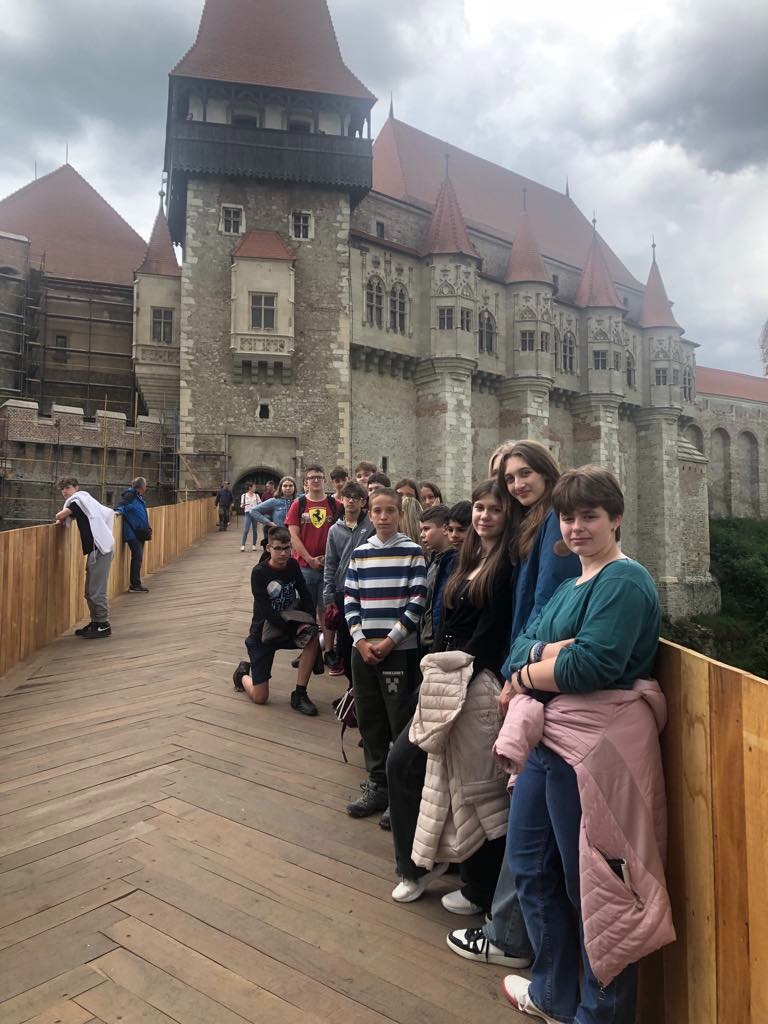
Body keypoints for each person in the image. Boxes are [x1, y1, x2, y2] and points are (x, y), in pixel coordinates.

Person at [497, 466, 668, 1024]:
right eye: (567, 517)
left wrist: (526, 673)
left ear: (616, 518)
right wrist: (545, 654)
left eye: (589, 516)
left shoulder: (624, 581)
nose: (575, 528)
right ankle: (552, 992)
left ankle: (599, 1014)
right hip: (552, 741)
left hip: (594, 749)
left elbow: (591, 665)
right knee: (530, 863)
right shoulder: (573, 584)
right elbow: (518, 644)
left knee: (596, 886)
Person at [447, 439, 580, 970]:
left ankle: (509, 936)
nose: (517, 484)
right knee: (528, 815)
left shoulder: (551, 526)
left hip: (540, 681)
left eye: (525, 474)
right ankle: (508, 928)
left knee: (530, 821)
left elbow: (547, 607)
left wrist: (518, 671)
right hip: (533, 674)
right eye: (509, 478)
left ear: (547, 471)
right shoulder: (535, 524)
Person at [387, 480, 515, 911]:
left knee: (471, 786)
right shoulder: (470, 560)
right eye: (479, 508)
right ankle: (416, 864)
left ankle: (475, 885)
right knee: (406, 764)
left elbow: (489, 636)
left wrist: (454, 676)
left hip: (471, 682)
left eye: (494, 509)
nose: (484, 516)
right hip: (444, 678)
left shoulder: (506, 567)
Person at [344, 488, 427, 820]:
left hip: (397, 651)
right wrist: (360, 640)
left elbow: (417, 601)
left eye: (390, 510)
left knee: (399, 719)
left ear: (399, 514)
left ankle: (400, 792)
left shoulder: (412, 552)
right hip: (363, 649)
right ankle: (377, 783)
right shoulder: (361, 554)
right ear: (369, 514)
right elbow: (350, 600)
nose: (383, 516)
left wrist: (391, 641)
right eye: (377, 510)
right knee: (369, 717)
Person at [232, 526, 322, 714]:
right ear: (268, 548)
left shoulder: (293, 565)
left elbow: (305, 593)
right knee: (260, 697)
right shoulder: (259, 572)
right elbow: (266, 611)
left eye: (287, 548)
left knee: (312, 638)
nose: (283, 553)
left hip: (288, 624)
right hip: (263, 631)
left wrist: (310, 622)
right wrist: (294, 629)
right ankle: (241, 676)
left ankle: (299, 694)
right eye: (278, 548)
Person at [285, 464, 338, 657]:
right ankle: (309, 652)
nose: (316, 480)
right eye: (312, 477)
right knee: (306, 612)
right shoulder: (298, 504)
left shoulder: (335, 505)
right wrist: (309, 559)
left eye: (319, 477)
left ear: (324, 480)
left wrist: (328, 559)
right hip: (305, 567)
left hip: (329, 567)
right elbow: (293, 536)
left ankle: (329, 650)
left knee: (327, 610)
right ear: (306, 482)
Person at [322, 480, 373, 681]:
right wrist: (328, 595)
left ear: (363, 502)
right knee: (344, 638)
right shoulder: (334, 530)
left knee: (364, 635)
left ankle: (363, 683)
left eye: (356, 498)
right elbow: (330, 563)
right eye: (347, 497)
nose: (351, 501)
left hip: (366, 589)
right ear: (341, 500)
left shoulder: (371, 526)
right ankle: (351, 684)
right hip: (343, 590)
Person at [54, 477, 115, 639]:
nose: (64, 492)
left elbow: (61, 514)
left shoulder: (77, 501)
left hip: (100, 550)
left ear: (76, 488)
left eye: (67, 487)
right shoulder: (85, 501)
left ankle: (103, 624)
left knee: (96, 590)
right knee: (89, 591)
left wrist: (61, 517)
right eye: (62, 489)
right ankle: (96, 622)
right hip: (98, 549)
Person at [418, 504, 455, 655]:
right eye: (421, 530)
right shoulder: (434, 560)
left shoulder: (454, 562)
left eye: (426, 529)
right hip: (427, 640)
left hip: (442, 644)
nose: (422, 535)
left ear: (445, 529)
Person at [115, 476, 151, 592]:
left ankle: (136, 584)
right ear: (142, 487)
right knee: (137, 557)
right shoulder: (131, 495)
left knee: (138, 557)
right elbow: (121, 506)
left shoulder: (137, 496)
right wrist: (118, 512)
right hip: (133, 533)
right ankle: (135, 585)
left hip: (138, 532)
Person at [250, 476, 297, 549]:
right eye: (285, 486)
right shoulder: (275, 501)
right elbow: (253, 511)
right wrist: (269, 522)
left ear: (294, 487)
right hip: (280, 539)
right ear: (280, 487)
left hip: (297, 539)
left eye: (291, 485)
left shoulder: (299, 500)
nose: (288, 488)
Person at [239, 482, 260, 551]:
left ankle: (254, 545)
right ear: (250, 488)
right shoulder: (244, 495)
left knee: (255, 530)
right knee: (246, 530)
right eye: (254, 487)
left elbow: (260, 504)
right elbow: (241, 505)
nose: (255, 488)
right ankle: (243, 545)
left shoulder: (256, 495)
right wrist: (243, 505)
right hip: (247, 513)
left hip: (255, 514)